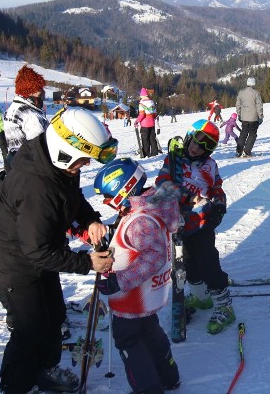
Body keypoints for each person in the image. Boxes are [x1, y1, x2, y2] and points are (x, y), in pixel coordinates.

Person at [0, 107, 118, 394]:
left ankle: (45, 369)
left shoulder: (56, 162)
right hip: (13, 266)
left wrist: (89, 219)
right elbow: (37, 249)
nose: (84, 166)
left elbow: (71, 195)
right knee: (30, 329)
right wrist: (88, 263)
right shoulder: (36, 184)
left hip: (37, 257)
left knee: (54, 315)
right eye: (82, 160)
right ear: (65, 150)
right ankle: (16, 386)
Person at [93, 158, 182, 394]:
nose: (105, 201)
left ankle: (149, 389)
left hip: (131, 298)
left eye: (107, 195)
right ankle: (168, 376)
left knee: (129, 342)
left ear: (122, 189)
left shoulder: (140, 221)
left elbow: (153, 256)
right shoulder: (148, 208)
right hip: (146, 296)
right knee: (151, 333)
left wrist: (118, 281)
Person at [156, 119, 234, 334]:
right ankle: (201, 298)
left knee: (207, 262)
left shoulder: (210, 166)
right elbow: (161, 183)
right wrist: (183, 195)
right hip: (178, 221)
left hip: (201, 221)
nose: (197, 148)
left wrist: (219, 205)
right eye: (197, 141)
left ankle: (224, 305)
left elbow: (216, 188)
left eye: (205, 146)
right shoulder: (173, 160)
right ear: (190, 136)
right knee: (186, 265)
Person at [4, 65, 48, 172]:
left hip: (17, 165)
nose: (42, 94)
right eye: (39, 91)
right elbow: (41, 147)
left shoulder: (12, 108)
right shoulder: (30, 115)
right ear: (29, 91)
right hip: (33, 168)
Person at [235, 77, 264, 158]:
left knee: (243, 134)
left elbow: (238, 104)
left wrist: (239, 114)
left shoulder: (241, 92)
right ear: (254, 83)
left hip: (244, 117)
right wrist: (260, 116)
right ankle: (247, 151)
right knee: (252, 134)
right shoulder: (256, 93)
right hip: (253, 117)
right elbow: (259, 105)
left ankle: (239, 151)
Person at [137, 88, 159, 158]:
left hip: (144, 124)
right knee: (152, 138)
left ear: (142, 95)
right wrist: (153, 118)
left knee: (145, 139)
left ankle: (146, 153)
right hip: (152, 123)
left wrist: (137, 121)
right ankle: (154, 153)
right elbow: (155, 113)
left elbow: (142, 114)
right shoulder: (152, 102)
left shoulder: (142, 103)